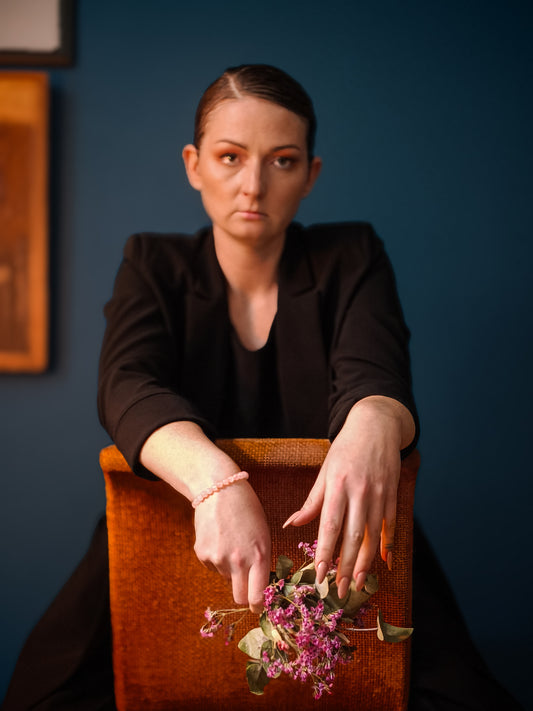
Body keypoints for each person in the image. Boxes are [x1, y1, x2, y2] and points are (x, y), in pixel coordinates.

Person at [3, 64, 523, 711]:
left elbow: (376, 373)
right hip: (166, 534)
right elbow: (126, 383)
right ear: (193, 164)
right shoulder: (152, 262)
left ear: (310, 174)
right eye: (229, 157)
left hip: (346, 543)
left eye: (281, 160)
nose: (252, 185)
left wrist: (371, 427)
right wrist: (216, 484)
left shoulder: (350, 255)